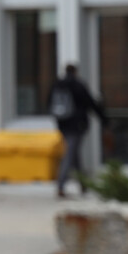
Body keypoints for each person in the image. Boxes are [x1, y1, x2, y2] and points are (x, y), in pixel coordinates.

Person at [48, 63, 108, 198]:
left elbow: (49, 104)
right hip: (76, 125)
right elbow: (90, 102)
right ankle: (61, 185)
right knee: (70, 154)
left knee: (74, 154)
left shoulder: (57, 85)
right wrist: (104, 119)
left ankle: (83, 184)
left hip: (63, 124)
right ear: (75, 71)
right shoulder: (77, 85)